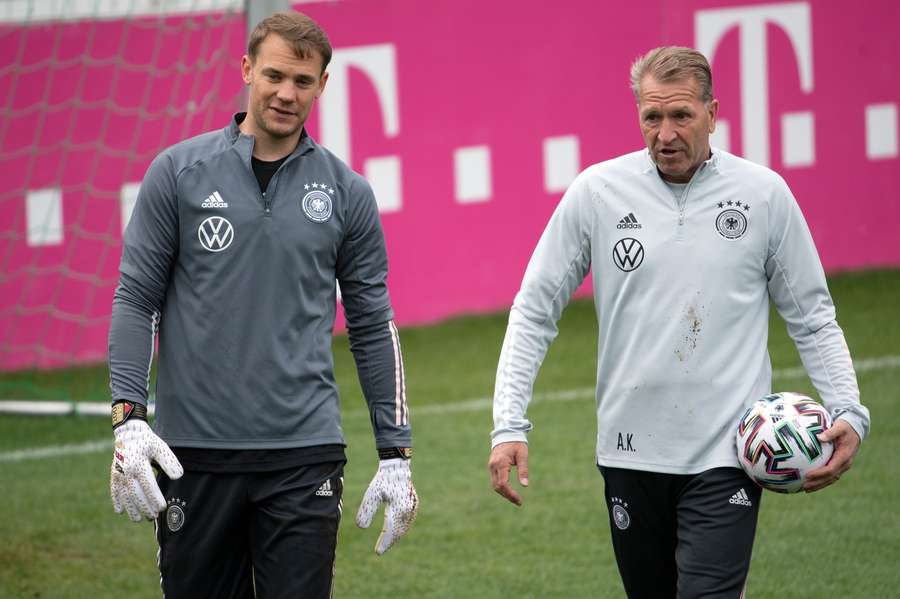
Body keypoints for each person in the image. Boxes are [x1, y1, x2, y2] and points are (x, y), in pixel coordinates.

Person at [488, 46, 870, 598]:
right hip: (628, 451)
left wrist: (849, 410)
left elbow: (813, 316)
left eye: (681, 116)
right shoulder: (597, 192)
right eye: (652, 116)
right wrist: (508, 424)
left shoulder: (763, 195)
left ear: (712, 114)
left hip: (727, 454)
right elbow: (533, 310)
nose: (664, 133)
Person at [107, 11, 417, 598]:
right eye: (274, 75)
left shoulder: (348, 193)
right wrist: (128, 416)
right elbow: (135, 298)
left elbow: (374, 324)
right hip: (192, 456)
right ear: (247, 69)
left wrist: (395, 449)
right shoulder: (177, 174)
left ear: (323, 85)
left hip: (304, 454)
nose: (286, 93)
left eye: (303, 81)